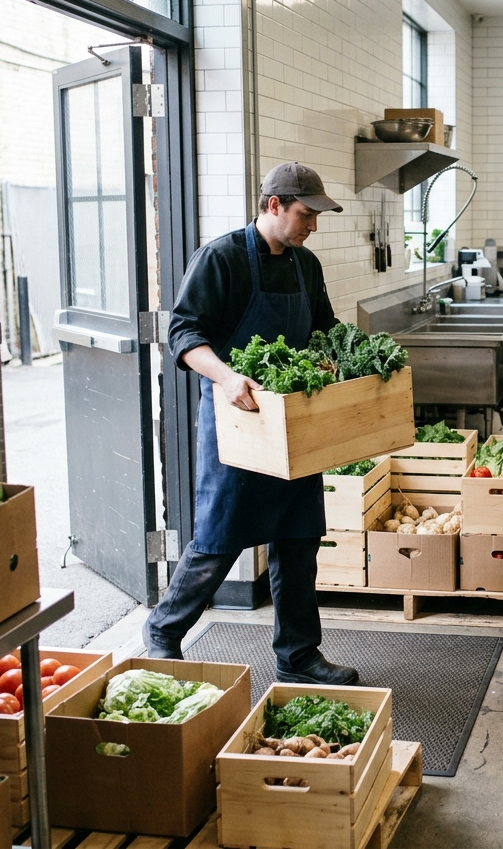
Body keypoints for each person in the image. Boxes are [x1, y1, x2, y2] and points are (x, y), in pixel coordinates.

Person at [143, 162, 358, 686]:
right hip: (237, 421)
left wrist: (339, 363)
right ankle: (164, 631)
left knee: (298, 540)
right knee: (220, 539)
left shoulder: (306, 266)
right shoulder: (221, 258)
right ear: (274, 205)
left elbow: (324, 330)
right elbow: (184, 333)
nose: (313, 226)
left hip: (294, 425)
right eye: (306, 214)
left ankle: (298, 655)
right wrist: (226, 376)